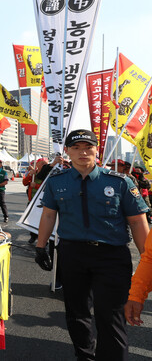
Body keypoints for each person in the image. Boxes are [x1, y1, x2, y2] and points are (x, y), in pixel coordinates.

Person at [34, 129, 150, 360]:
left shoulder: (120, 182)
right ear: (67, 151)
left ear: (97, 150)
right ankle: (85, 356)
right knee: (76, 314)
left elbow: (138, 222)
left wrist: (148, 260)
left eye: (88, 147)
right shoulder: (57, 182)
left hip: (112, 257)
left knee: (111, 316)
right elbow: (48, 216)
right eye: (76, 148)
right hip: (72, 254)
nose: (82, 152)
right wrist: (40, 246)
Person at [23, 157, 47, 243]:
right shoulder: (33, 173)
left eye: (45, 164)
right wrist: (30, 175)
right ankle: (33, 235)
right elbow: (24, 183)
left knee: (43, 220)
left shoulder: (47, 174)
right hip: (31, 200)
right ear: (37, 165)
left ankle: (43, 237)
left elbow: (47, 187)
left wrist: (36, 185)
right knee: (31, 219)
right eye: (42, 164)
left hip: (42, 201)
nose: (44, 165)